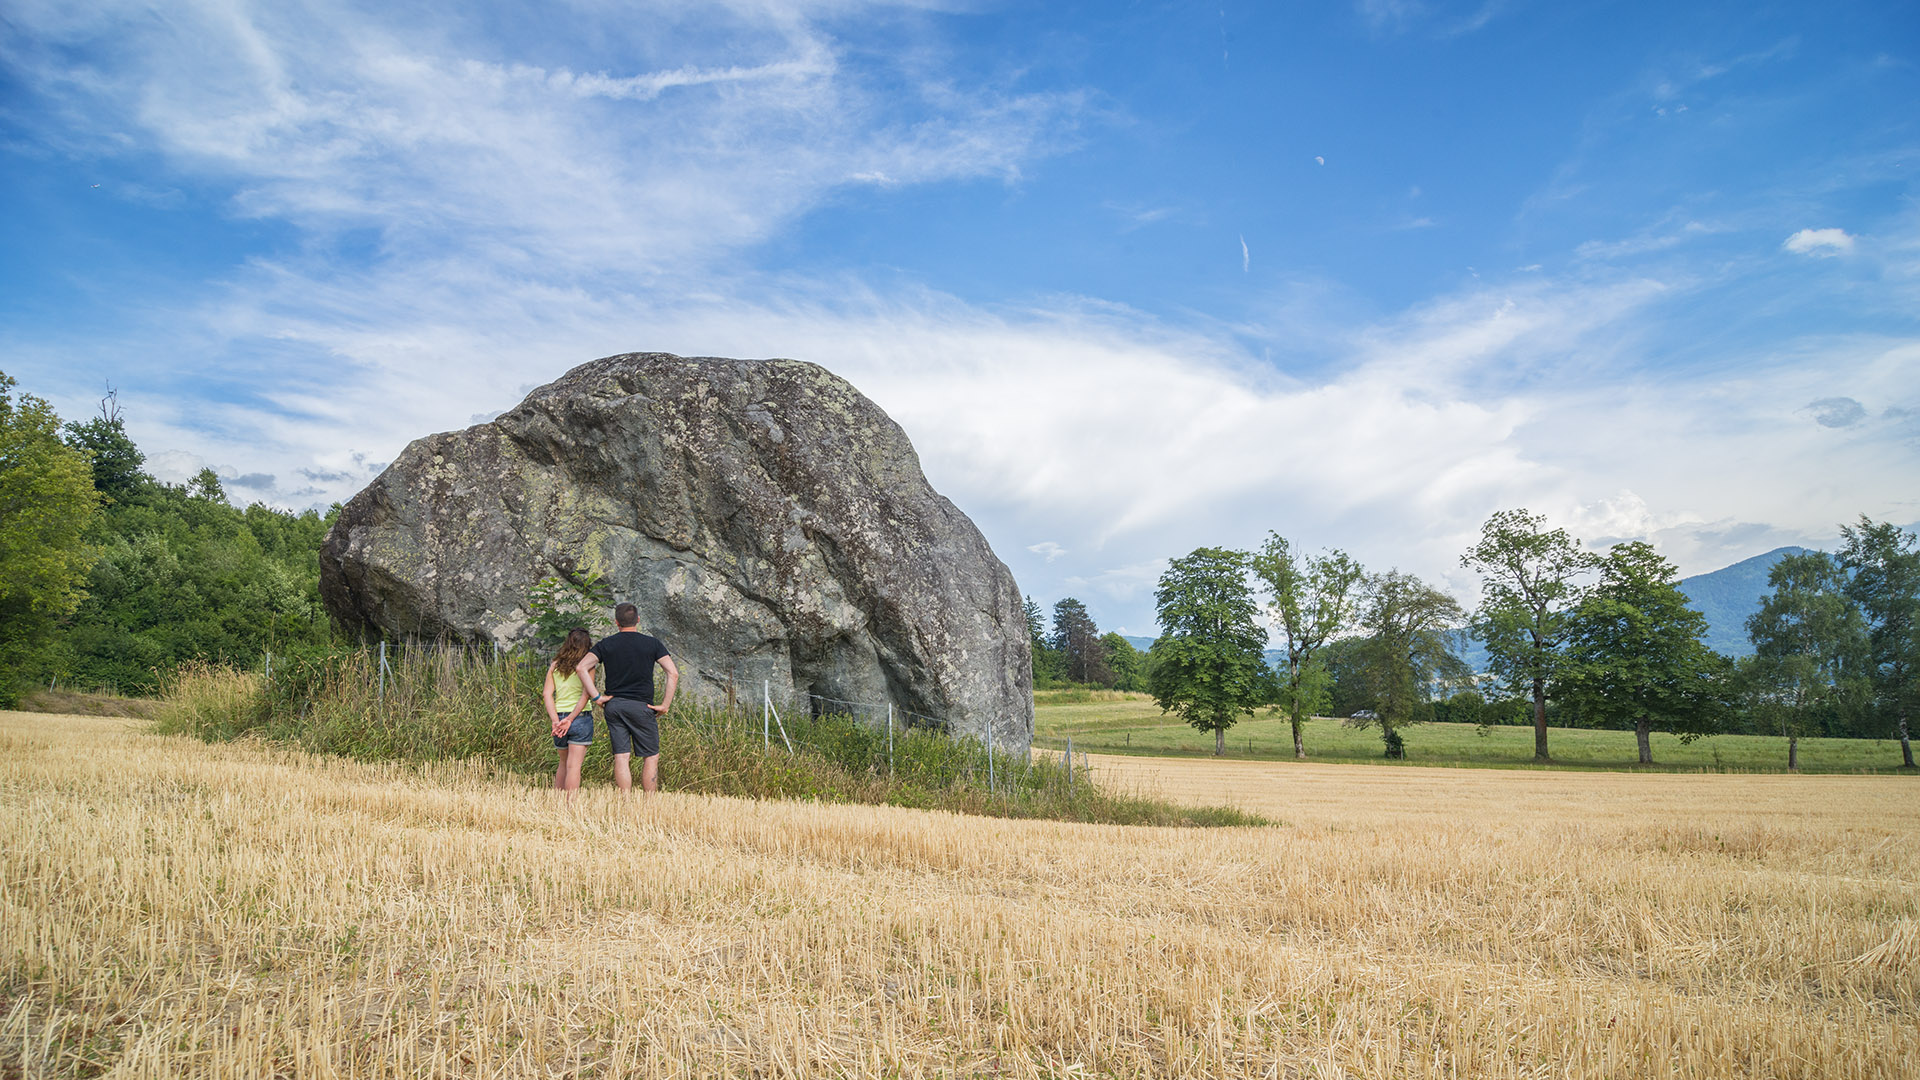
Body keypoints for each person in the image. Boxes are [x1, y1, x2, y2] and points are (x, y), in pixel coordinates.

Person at [577, 602, 678, 794]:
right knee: (650, 756)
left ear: (616, 622)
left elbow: (581, 667)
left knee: (621, 756)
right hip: (642, 706)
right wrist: (665, 705)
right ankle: (649, 804)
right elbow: (673, 673)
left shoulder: (607, 644)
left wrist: (597, 696)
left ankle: (625, 802)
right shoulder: (652, 644)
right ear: (638, 620)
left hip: (614, 706)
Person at [544, 628, 595, 801]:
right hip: (579, 717)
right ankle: (570, 805)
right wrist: (571, 718)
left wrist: (555, 720)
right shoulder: (588, 666)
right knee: (574, 766)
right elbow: (586, 694)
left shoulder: (555, 665)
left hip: (559, 718)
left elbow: (547, 694)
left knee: (563, 763)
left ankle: (558, 803)